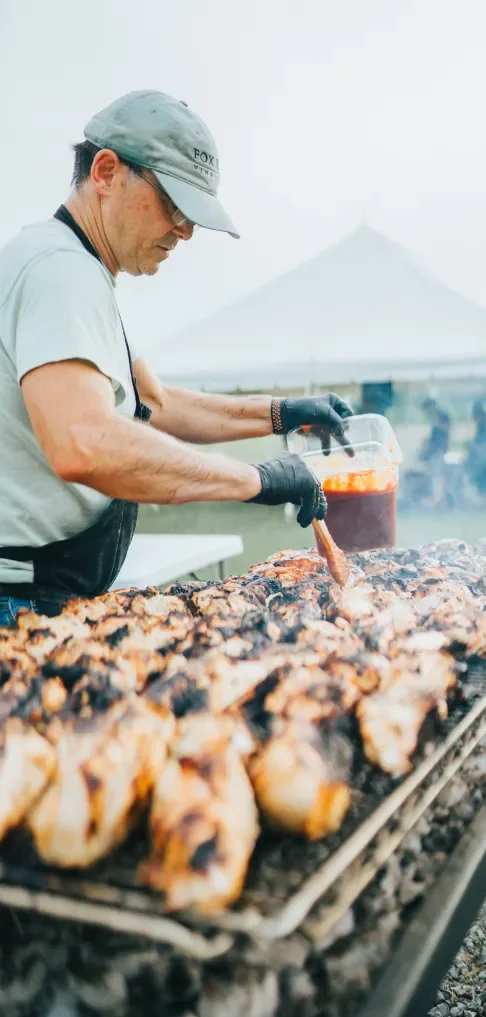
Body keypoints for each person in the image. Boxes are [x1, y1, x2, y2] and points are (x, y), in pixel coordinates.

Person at [0, 90, 353, 627]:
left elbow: (154, 403)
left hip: (45, 593)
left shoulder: (80, 270)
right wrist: (257, 480)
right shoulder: (58, 271)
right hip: (18, 600)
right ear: (105, 171)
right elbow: (84, 443)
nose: (186, 230)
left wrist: (283, 412)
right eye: (175, 205)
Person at [465, 399, 486, 495]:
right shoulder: (480, 429)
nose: (474, 417)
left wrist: (471, 447)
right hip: (480, 465)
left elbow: (484, 450)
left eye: (475, 415)